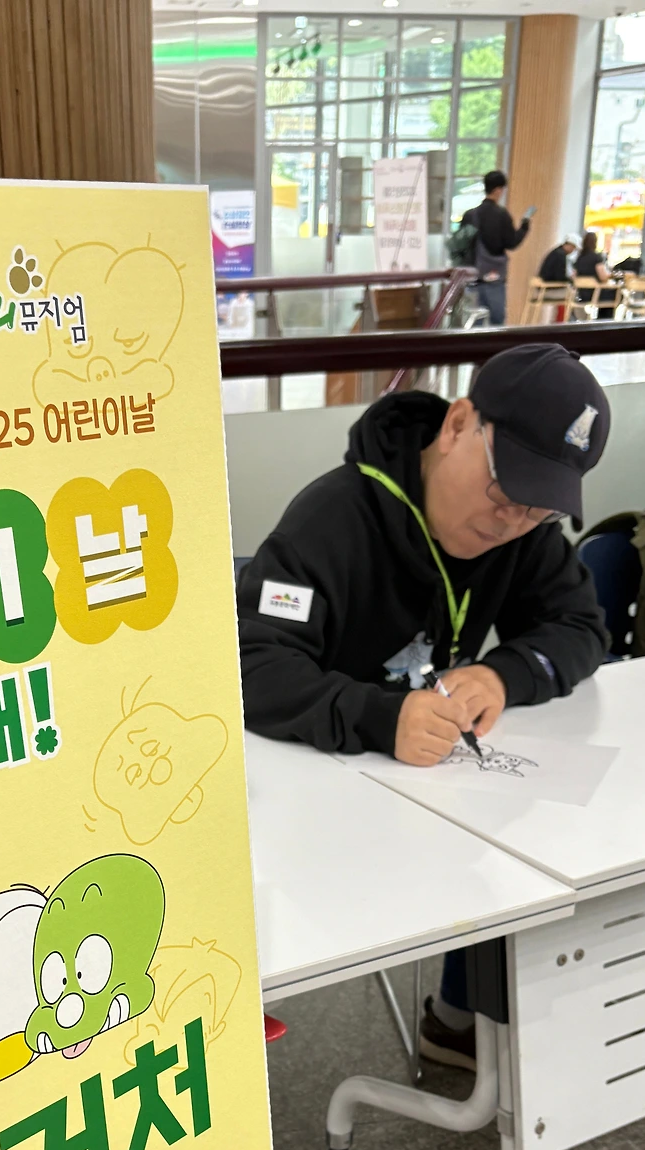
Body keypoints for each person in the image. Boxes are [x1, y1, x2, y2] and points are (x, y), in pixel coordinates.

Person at [237, 345, 611, 1069]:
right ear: (459, 424)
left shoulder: (523, 532)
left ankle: (464, 1018)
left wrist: (502, 675)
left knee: (534, 846)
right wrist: (380, 717)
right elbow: (253, 664)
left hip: (437, 790)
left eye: (538, 509)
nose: (510, 521)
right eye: (504, 491)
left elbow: (579, 626)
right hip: (314, 809)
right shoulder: (332, 520)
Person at [470, 170, 531, 327]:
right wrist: (524, 227)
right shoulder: (502, 215)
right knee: (497, 322)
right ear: (498, 190)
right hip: (494, 275)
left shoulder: (470, 215)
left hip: (472, 276)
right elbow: (512, 242)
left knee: (472, 321)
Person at [573, 231, 617, 319]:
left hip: (582, 294)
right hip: (596, 293)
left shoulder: (579, 258)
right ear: (595, 242)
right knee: (615, 294)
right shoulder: (596, 257)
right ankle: (604, 320)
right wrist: (611, 276)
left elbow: (574, 275)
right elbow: (603, 277)